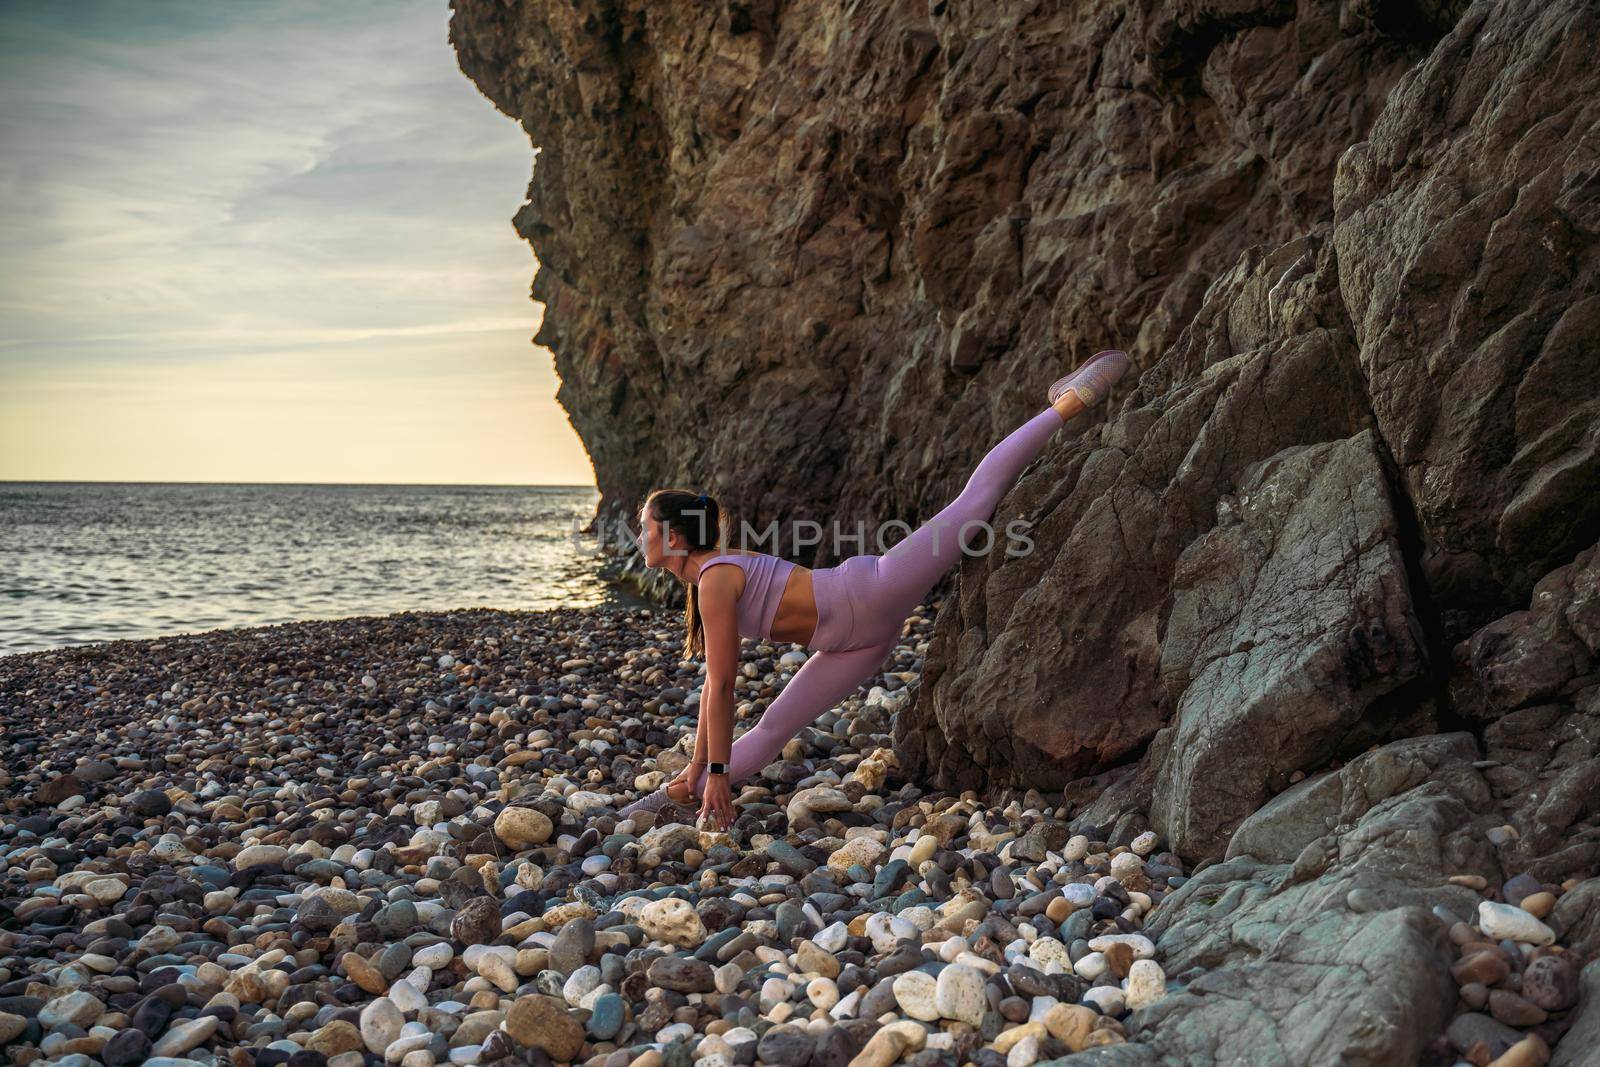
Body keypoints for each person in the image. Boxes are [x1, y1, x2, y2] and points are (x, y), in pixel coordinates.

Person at [621, 350, 1133, 830]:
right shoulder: (706, 580)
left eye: (646, 526)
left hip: (873, 592)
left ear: (674, 537)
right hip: (854, 645)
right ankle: (663, 805)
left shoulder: (715, 579)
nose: (640, 535)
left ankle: (1066, 404)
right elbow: (714, 687)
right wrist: (700, 766)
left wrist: (712, 768)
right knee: (774, 728)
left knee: (973, 505)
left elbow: (725, 683)